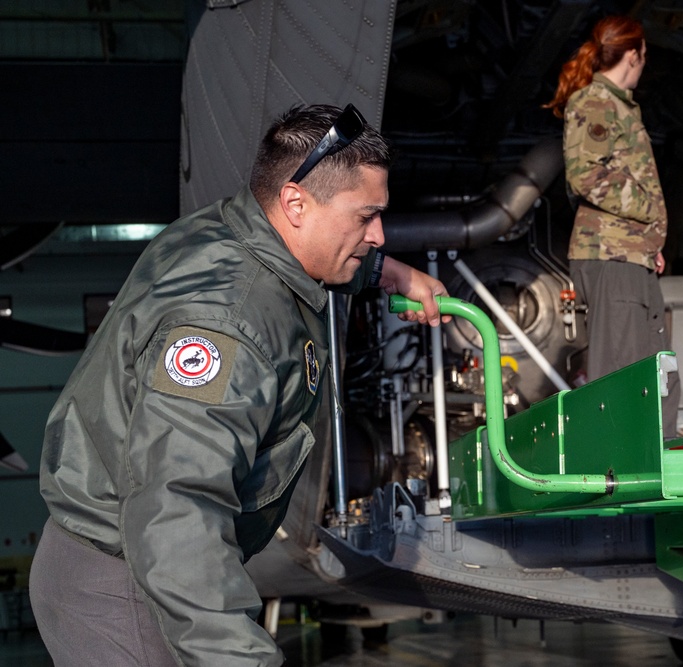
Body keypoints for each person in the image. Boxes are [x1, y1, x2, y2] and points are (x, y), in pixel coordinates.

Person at [29, 103, 448, 666]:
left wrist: (386, 270)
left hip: (129, 565)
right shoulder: (226, 324)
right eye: (365, 216)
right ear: (296, 203)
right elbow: (176, 512)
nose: (378, 233)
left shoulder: (229, 228)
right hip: (134, 587)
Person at [544, 16, 679, 436]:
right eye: (644, 56)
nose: (644, 64)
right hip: (612, 256)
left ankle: (656, 465)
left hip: (628, 253)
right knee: (621, 373)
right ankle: (613, 470)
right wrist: (647, 214)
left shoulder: (617, 104)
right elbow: (584, 176)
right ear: (634, 53)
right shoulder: (595, 102)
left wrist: (645, 238)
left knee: (654, 369)